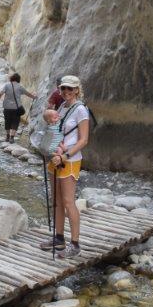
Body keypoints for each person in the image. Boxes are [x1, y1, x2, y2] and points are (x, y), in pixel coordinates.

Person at [39, 75, 90, 258]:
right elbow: (55, 127)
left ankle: (75, 244)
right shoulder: (62, 106)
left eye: (70, 88)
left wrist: (66, 155)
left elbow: (84, 140)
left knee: (69, 202)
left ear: (77, 89)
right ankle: (59, 238)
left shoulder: (81, 110)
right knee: (57, 200)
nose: (66, 92)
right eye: (63, 89)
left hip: (69, 159)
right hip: (56, 157)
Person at [0, 72, 36, 143]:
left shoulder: (7, 85)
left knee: (7, 121)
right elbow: (27, 93)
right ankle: (12, 138)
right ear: (18, 79)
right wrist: (34, 97)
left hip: (7, 107)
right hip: (16, 108)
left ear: (12, 78)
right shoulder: (20, 86)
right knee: (15, 122)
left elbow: (0, 93)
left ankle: (7, 136)